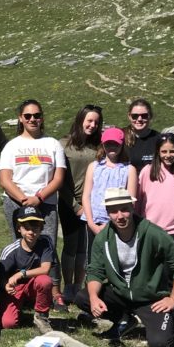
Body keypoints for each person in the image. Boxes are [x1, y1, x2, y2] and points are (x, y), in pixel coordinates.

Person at [75, 188, 174, 347]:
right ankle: (124, 318)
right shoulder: (103, 238)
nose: (120, 216)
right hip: (121, 294)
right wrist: (94, 297)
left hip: (150, 299)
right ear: (107, 212)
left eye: (124, 209)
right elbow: (95, 271)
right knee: (83, 297)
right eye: (114, 211)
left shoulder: (152, 232)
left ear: (132, 207)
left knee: (160, 344)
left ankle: (170, 316)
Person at [0, 99, 66, 309]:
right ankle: (21, 290)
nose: (32, 119)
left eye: (36, 115)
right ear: (21, 118)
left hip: (44, 204)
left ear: (42, 117)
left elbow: (58, 177)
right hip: (17, 203)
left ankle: (55, 292)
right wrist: (24, 199)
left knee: (48, 247)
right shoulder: (12, 146)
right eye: (27, 116)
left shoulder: (52, 143)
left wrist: (39, 197)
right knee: (21, 247)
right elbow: (5, 179)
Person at [58, 104, 103, 306]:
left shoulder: (100, 146)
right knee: (70, 246)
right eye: (89, 120)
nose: (92, 125)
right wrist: (76, 206)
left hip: (93, 205)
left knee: (85, 248)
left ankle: (80, 285)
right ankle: (68, 286)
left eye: (96, 122)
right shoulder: (64, 145)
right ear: (80, 120)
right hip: (69, 202)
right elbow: (60, 179)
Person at [0, 206, 55, 334]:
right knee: (8, 323)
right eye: (27, 228)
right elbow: (1, 276)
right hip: (15, 288)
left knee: (45, 281)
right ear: (19, 228)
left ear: (41, 228)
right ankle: (19, 309)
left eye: (35, 227)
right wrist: (5, 285)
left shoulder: (46, 242)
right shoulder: (10, 250)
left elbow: (45, 269)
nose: (31, 232)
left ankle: (41, 316)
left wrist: (21, 273)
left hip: (33, 283)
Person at [136, 133, 174, 242]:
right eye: (164, 151)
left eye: (172, 151)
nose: (168, 155)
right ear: (158, 152)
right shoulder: (147, 171)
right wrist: (139, 226)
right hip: (149, 230)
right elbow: (138, 201)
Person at [81, 127, 137, 240]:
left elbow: (131, 200)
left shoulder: (129, 169)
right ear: (103, 144)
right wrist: (91, 223)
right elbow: (86, 196)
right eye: (108, 144)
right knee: (93, 255)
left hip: (117, 222)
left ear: (122, 145)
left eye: (115, 144)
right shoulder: (93, 167)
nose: (112, 147)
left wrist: (112, 222)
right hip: (94, 221)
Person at [124, 98, 160, 172]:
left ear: (150, 116)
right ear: (129, 116)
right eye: (135, 116)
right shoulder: (120, 136)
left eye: (144, 116)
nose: (139, 119)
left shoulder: (158, 138)